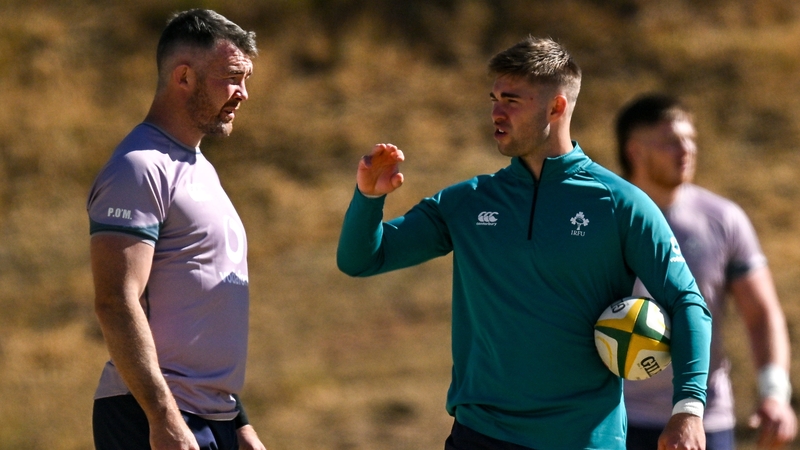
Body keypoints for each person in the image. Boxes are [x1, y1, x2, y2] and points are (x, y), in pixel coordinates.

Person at [337, 36, 712, 450]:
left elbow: (687, 302)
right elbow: (363, 259)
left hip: (585, 440)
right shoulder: (467, 201)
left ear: (556, 107)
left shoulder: (619, 203)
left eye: (512, 100)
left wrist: (688, 410)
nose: (496, 112)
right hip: (480, 437)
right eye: (494, 98)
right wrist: (369, 198)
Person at [87, 9, 267, 450]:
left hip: (211, 416)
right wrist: (163, 417)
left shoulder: (199, 168)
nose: (243, 94)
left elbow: (205, 309)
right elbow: (115, 301)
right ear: (183, 77)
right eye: (231, 77)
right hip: (153, 417)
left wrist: (239, 424)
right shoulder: (139, 167)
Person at [617, 93, 798, 450]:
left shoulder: (723, 219)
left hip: (702, 420)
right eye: (671, 142)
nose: (686, 150)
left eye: (690, 140)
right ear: (635, 151)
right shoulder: (604, 220)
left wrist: (774, 393)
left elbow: (761, 314)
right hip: (615, 416)